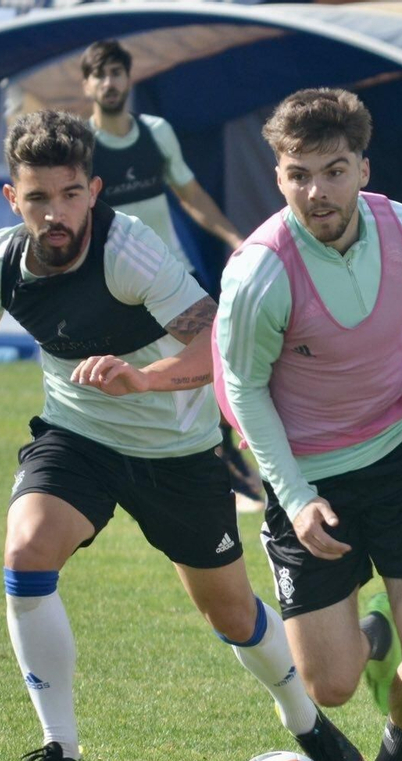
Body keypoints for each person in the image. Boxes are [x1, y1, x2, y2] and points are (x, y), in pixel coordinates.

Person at [0, 110, 367, 761]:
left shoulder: (133, 255)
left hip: (176, 451)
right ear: (13, 201)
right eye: (37, 198)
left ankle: (306, 722)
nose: (55, 212)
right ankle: (62, 751)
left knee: (228, 612)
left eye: (70, 194)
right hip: (78, 437)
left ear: (95, 190)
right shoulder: (0, 260)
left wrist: (145, 379)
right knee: (26, 547)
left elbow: (216, 347)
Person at [208, 87, 402, 761]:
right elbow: (241, 391)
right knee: (329, 685)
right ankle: (368, 640)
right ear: (279, 176)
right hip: (310, 482)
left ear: (363, 167)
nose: (316, 191)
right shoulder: (259, 272)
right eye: (299, 174)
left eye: (333, 170)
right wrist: (294, 495)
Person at [80, 39, 265, 513]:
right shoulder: (80, 146)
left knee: (210, 364)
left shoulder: (156, 132)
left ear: (129, 79)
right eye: (100, 74)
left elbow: (191, 193)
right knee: (137, 388)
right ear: (87, 85)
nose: (110, 82)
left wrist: (233, 237)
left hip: (170, 279)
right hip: (116, 289)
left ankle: (230, 471)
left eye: (117, 72)